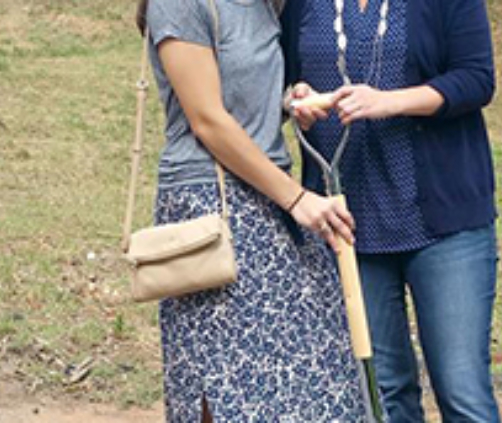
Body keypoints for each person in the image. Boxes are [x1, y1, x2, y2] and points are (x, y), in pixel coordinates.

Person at [136, 0, 367, 420]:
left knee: (310, 375)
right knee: (221, 383)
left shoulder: (261, 5)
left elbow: (241, 105)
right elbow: (207, 120)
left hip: (268, 195)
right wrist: (297, 198)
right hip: (209, 202)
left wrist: (288, 104)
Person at [281, 0, 500, 420]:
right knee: (383, 393)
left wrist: (388, 102)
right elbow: (283, 79)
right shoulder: (302, 4)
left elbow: (477, 79)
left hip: (443, 223)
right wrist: (297, 99)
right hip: (349, 225)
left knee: (462, 392)